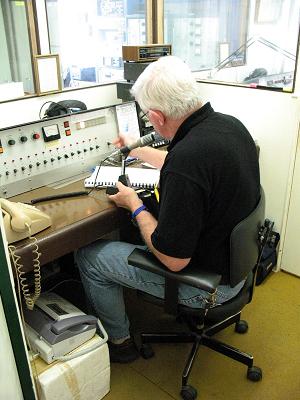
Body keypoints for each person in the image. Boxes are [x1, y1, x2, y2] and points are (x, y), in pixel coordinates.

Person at [75, 56, 260, 363]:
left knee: (90, 257)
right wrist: (138, 148)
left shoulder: (189, 157)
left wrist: (134, 205)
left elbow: (173, 260)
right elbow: (186, 166)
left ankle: (120, 344)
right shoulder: (228, 126)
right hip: (237, 266)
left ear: (157, 117)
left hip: (208, 285)